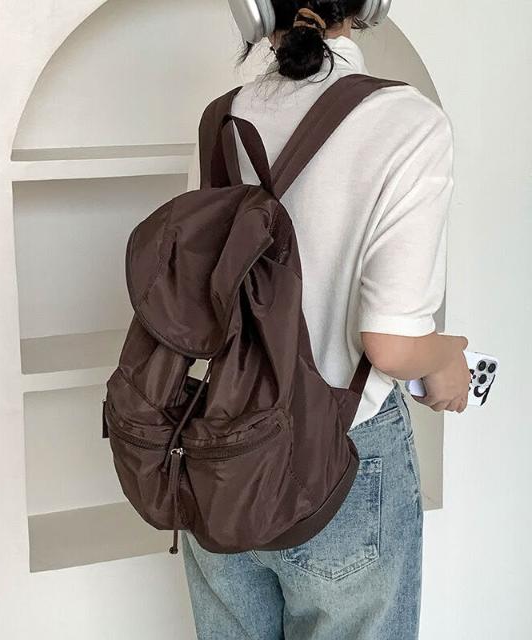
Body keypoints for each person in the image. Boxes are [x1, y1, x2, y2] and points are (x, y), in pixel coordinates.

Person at [181, 2, 471, 639]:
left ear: (255, 9)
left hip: (222, 444)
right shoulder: (407, 122)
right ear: (368, 7)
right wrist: (449, 357)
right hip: (342, 451)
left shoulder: (221, 118)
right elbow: (392, 345)